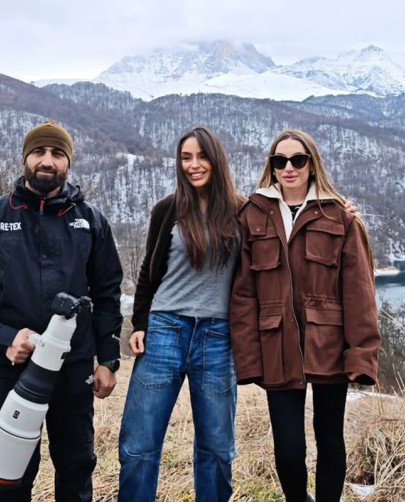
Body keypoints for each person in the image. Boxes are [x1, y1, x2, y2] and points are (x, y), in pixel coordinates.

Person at [0, 120, 123, 502]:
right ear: (25, 158)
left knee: (76, 467)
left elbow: (108, 293)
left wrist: (108, 360)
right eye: (39, 152)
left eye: (57, 153)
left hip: (73, 368)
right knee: (10, 476)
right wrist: (5, 337)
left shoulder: (90, 221)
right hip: (9, 368)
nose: (47, 161)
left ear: (68, 162)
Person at [230, 129, 381, 502]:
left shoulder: (339, 216)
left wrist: (361, 354)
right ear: (272, 166)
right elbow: (244, 294)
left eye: (298, 159)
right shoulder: (253, 214)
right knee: (288, 447)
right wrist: (248, 357)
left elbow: (359, 292)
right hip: (276, 344)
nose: (289, 167)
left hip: (328, 343)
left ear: (312, 165)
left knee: (330, 439)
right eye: (279, 160)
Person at [117, 126, 243, 501]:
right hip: (165, 330)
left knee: (217, 450)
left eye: (201, 156)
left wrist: (342, 210)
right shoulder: (167, 209)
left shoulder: (243, 211)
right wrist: (139, 324)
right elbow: (149, 271)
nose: (193, 165)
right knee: (139, 445)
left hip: (218, 338)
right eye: (186, 158)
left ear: (216, 160)